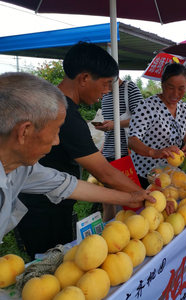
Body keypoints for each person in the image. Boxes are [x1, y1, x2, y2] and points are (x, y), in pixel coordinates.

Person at [16, 42, 151, 259]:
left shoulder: (53, 105)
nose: (107, 92)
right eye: (106, 84)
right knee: (47, 268)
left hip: (52, 202)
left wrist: (130, 197)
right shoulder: (65, 115)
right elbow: (103, 172)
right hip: (42, 212)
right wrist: (140, 195)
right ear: (85, 78)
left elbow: (71, 186)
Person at [128, 63, 186, 188]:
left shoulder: (184, 108)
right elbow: (132, 141)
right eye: (170, 87)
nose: (175, 93)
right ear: (162, 84)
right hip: (146, 175)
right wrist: (154, 152)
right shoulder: (147, 106)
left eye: (181, 88)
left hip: (170, 175)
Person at [95, 78, 143, 161]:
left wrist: (115, 124)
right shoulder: (105, 94)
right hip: (107, 153)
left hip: (128, 154)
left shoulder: (129, 88)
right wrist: (102, 149)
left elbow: (142, 118)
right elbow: (110, 129)